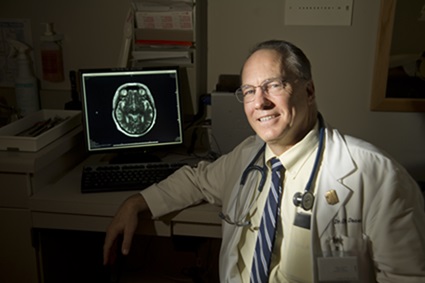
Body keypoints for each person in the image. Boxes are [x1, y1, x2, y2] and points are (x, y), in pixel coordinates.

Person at [103, 40, 425, 282]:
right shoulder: (247, 156)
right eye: (248, 91)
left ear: (309, 91)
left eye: (274, 85)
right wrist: (137, 202)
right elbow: (196, 180)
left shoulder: (375, 174)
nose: (261, 102)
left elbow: (408, 277)